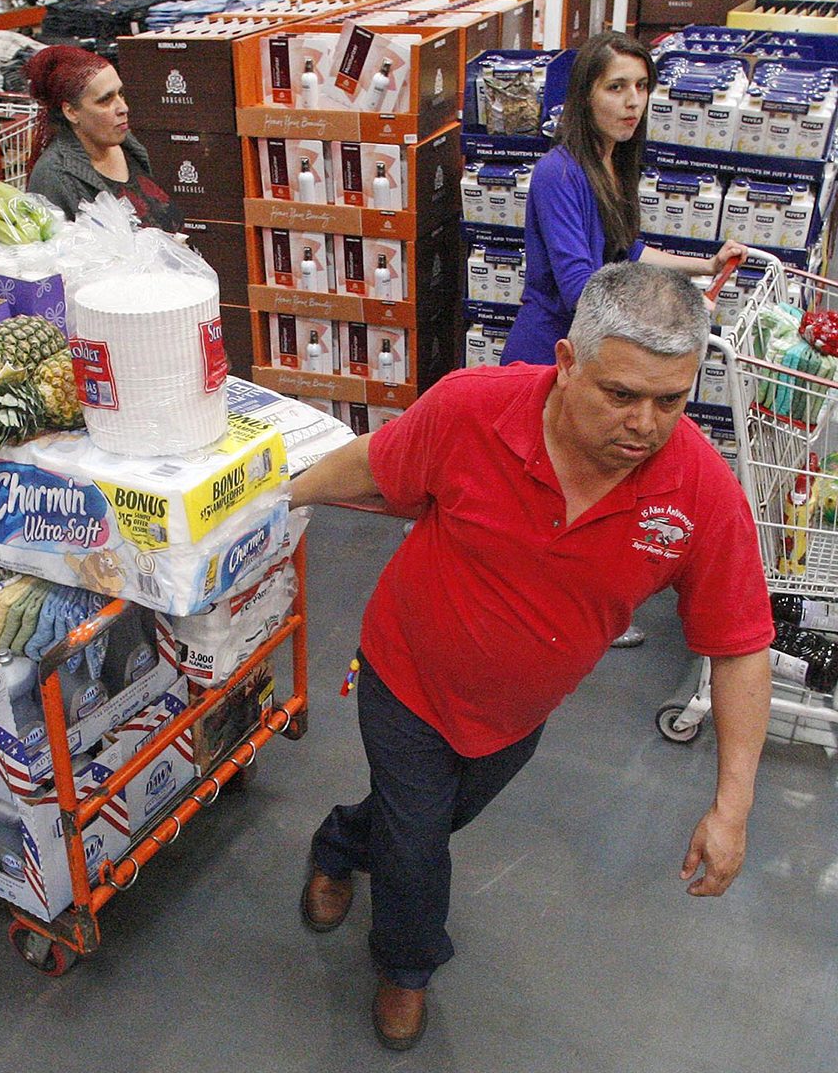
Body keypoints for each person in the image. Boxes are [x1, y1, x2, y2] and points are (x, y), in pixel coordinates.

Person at [292, 262, 773, 1051]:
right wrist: (275, 499)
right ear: (567, 362)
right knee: (418, 846)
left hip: (514, 717)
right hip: (405, 673)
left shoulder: (701, 492)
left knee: (433, 817)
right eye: (621, 394)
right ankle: (406, 969)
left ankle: (340, 842)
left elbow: (742, 647)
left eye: (671, 400)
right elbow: (376, 464)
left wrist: (733, 806)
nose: (646, 423)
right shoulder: (472, 410)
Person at [500, 31, 745, 644]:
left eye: (641, 87)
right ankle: (552, 609)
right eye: (616, 88)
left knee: (580, 489)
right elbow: (581, 282)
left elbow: (627, 251)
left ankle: (569, 603)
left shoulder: (608, 164)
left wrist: (703, 266)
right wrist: (658, 327)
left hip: (594, 353)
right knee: (551, 494)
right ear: (585, 96)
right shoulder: (560, 173)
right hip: (557, 353)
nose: (632, 102)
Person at [26, 45, 182, 231]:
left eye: (121, 93)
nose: (123, 108)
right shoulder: (54, 177)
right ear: (71, 112)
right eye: (105, 100)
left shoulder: (127, 144)